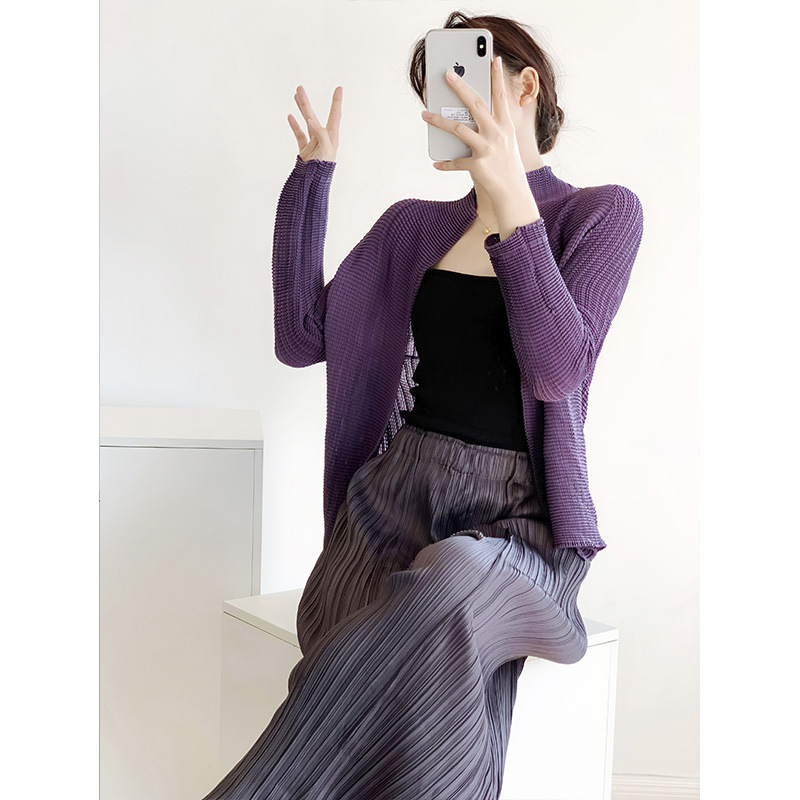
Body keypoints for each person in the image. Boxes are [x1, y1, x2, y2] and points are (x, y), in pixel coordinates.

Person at [200, 10, 644, 800]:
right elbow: (300, 338)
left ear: (525, 86)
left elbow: (556, 372)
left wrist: (510, 201)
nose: (446, 102)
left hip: (518, 525)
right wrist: (312, 179)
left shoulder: (599, 215)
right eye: (435, 89)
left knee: (450, 582)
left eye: (463, 76)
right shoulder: (415, 226)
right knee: (372, 644)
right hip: (390, 505)